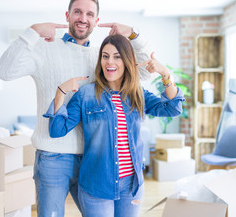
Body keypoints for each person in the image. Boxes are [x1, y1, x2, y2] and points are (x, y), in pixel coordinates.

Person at [0, 0, 152, 217]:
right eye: (78, 12)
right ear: (68, 15)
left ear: (96, 21)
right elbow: (4, 71)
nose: (83, 18)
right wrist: (34, 31)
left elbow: (145, 74)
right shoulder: (44, 49)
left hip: (93, 161)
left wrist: (134, 34)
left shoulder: (100, 57)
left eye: (90, 14)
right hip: (53, 157)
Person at [44, 34, 185, 217]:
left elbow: (172, 109)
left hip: (131, 186)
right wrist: (60, 92)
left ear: (126, 61)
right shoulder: (86, 94)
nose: (110, 61)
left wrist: (166, 74)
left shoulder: (137, 93)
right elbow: (57, 130)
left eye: (117, 56)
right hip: (96, 185)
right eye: (105, 56)